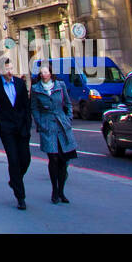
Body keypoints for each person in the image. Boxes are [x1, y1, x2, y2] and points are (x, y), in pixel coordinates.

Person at [0, 56, 33, 210]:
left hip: (22, 127)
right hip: (6, 128)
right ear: (1, 70)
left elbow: (26, 105)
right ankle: (21, 197)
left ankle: (14, 180)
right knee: (13, 160)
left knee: (25, 159)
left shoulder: (20, 83)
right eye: (7, 69)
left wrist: (28, 123)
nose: (10, 71)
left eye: (12, 68)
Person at [31, 62, 78, 204]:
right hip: (47, 126)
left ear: (51, 73)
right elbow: (34, 108)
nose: (44, 74)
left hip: (62, 125)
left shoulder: (60, 85)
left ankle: (62, 191)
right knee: (53, 158)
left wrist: (68, 118)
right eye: (42, 72)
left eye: (46, 72)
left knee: (64, 160)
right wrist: (40, 123)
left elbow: (68, 104)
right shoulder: (35, 88)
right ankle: (54, 190)